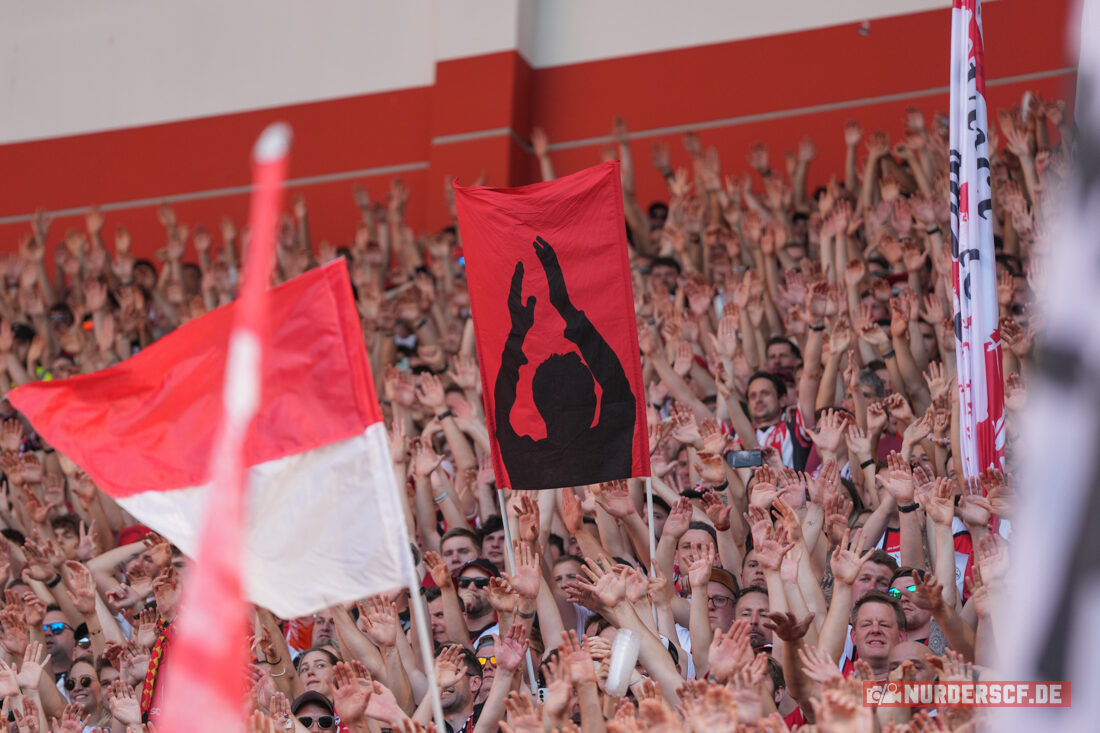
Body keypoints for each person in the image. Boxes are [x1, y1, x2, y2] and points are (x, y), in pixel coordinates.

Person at [495, 237, 637, 489]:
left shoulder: (526, 459)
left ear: (539, 407)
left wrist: (518, 332)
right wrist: (564, 306)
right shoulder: (611, 444)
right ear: (594, 399)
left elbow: (501, 412)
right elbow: (615, 381)